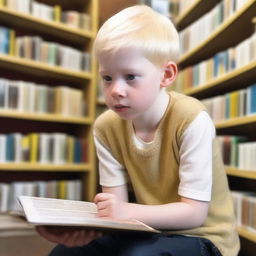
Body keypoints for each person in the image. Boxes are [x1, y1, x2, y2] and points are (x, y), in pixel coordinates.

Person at [37, 5, 240, 256]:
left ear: (166, 74)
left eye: (130, 76)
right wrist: (84, 228)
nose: (115, 91)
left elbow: (194, 214)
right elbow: (118, 212)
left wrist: (124, 211)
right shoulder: (105, 127)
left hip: (203, 237)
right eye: (107, 78)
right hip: (144, 229)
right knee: (64, 253)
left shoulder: (191, 118)